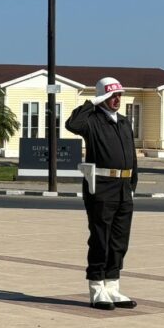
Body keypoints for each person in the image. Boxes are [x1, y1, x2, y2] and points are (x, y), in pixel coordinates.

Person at [65, 76, 139, 311]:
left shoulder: (125, 123)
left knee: (119, 240)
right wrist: (92, 103)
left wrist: (132, 185)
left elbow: (132, 156)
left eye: (119, 95)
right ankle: (97, 289)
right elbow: (72, 124)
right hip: (101, 186)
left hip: (123, 187)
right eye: (111, 95)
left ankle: (113, 287)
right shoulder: (92, 121)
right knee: (100, 238)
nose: (117, 99)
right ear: (102, 97)